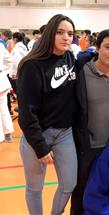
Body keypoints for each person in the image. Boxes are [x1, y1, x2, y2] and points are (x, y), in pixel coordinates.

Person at [17, 14, 78, 215]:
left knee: (69, 183)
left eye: (70, 33)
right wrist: (40, 147)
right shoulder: (32, 65)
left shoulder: (70, 58)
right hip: (37, 135)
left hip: (64, 133)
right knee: (34, 188)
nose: (66, 37)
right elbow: (26, 113)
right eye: (60, 32)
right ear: (50, 33)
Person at [70, 29, 109, 215]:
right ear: (97, 48)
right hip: (86, 147)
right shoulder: (81, 72)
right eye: (107, 47)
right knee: (82, 193)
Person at [0, 38, 13, 143]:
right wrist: (4, 71)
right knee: (3, 109)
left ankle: (2, 137)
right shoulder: (0, 46)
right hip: (2, 80)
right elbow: (10, 59)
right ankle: (8, 134)